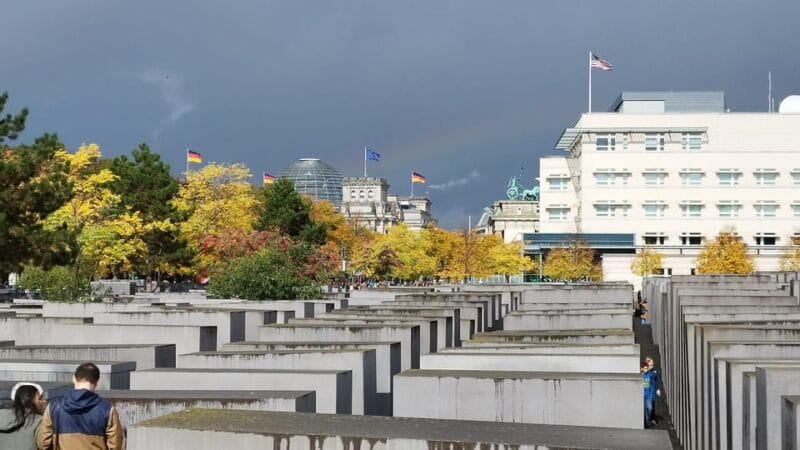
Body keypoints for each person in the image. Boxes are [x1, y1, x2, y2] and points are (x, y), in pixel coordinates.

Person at [37, 363, 125, 450]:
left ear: (74, 378)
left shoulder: (54, 406)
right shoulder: (107, 409)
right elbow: (116, 445)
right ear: (96, 382)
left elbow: (43, 443)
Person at [0, 382, 46, 450]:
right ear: (29, 400)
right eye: (40, 398)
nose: (43, 401)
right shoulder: (39, 421)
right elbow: (45, 445)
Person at [641, 356, 661, 427]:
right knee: (646, 408)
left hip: (649, 393)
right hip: (643, 393)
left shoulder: (652, 372)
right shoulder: (642, 372)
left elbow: (656, 378)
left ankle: (649, 420)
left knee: (649, 408)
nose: (653, 363)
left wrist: (658, 389)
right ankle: (647, 422)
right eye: (651, 362)